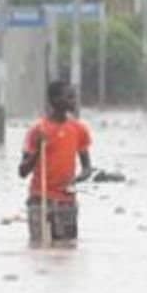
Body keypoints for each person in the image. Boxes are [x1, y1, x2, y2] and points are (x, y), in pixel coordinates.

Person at [19, 81, 93, 246]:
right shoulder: (38, 130)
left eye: (74, 97)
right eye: (70, 97)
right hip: (40, 199)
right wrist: (38, 149)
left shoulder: (79, 129)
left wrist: (77, 179)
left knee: (67, 249)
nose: (74, 101)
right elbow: (22, 171)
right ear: (55, 100)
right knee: (38, 247)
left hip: (66, 200)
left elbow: (87, 167)